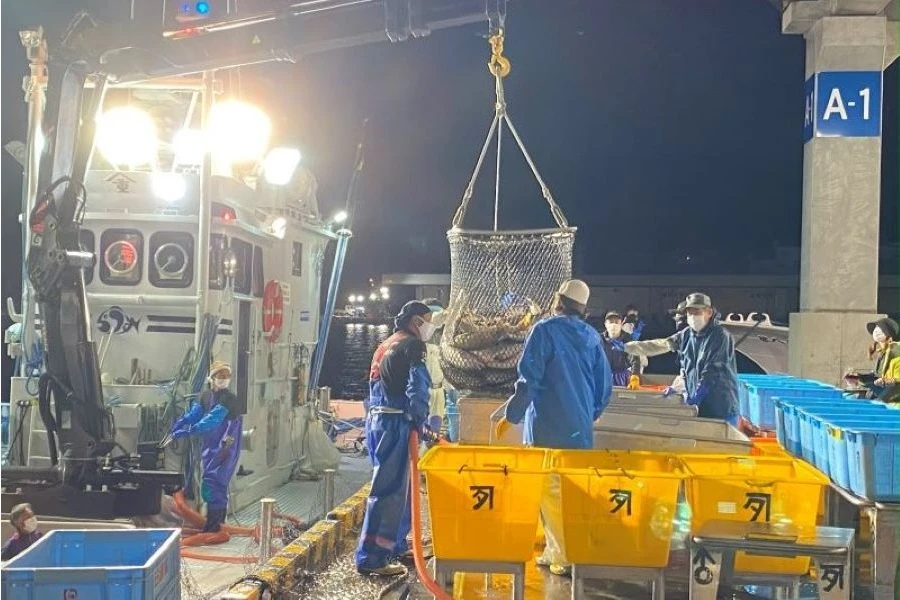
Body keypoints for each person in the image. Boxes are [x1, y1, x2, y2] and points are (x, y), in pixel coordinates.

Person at [494, 279, 613, 576]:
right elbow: (604, 386)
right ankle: (558, 550)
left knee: (550, 492)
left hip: (547, 427)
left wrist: (512, 415)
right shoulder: (592, 336)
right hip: (580, 429)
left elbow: (528, 380)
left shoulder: (544, 330)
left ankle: (565, 555)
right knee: (574, 492)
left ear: (558, 300)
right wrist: (589, 414)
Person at [356, 301, 433, 577]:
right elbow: (417, 385)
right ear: (415, 321)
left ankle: (395, 545)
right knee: (388, 492)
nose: (430, 325)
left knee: (401, 489)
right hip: (395, 423)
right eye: (428, 319)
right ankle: (372, 558)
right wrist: (419, 420)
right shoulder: (413, 345)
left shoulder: (387, 344)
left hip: (378, 420)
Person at [171, 361, 243, 534]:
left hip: (226, 444)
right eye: (220, 375)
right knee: (209, 482)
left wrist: (191, 430)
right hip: (210, 445)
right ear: (212, 377)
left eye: (227, 376)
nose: (224, 379)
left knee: (215, 482)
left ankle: (215, 526)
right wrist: (183, 421)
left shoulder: (229, 399)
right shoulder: (205, 395)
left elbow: (213, 419)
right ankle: (216, 525)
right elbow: (196, 413)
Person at [677, 293, 740, 425]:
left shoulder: (720, 335)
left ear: (709, 312)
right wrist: (679, 387)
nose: (693, 316)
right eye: (689, 313)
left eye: (697, 312)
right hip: (700, 409)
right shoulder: (687, 335)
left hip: (721, 408)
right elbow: (685, 366)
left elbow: (713, 369)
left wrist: (698, 394)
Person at [624, 300, 688, 394]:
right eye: (677, 317)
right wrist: (626, 347)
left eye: (682, 317)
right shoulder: (683, 336)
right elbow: (657, 345)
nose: (678, 320)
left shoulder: (707, 338)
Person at [600, 311, 642, 386]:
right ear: (605, 324)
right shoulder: (599, 339)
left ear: (621, 323)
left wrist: (635, 375)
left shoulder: (627, 339)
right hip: (603, 376)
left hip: (622, 378)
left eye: (616, 322)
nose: (614, 325)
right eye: (611, 322)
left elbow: (634, 359)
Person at [867, 317, 900, 403]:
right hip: (880, 393)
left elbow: (895, 380)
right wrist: (858, 377)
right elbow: (877, 375)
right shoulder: (882, 353)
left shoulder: (895, 350)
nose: (876, 331)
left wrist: (887, 381)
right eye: (876, 328)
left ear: (889, 334)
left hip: (892, 397)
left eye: (880, 328)